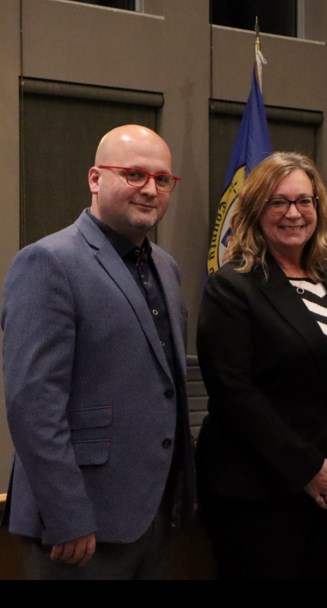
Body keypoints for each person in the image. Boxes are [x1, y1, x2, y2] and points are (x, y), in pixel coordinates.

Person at [2, 125, 194, 579]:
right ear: (94, 178)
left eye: (162, 179)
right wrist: (67, 514)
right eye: (133, 174)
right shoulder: (48, 262)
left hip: (153, 517)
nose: (150, 189)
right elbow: (33, 405)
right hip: (78, 528)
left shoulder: (166, 267)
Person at [195, 151, 327, 580]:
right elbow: (234, 393)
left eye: (304, 201)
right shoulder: (232, 287)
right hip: (256, 494)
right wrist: (307, 468)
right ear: (256, 210)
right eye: (278, 202)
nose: (293, 213)